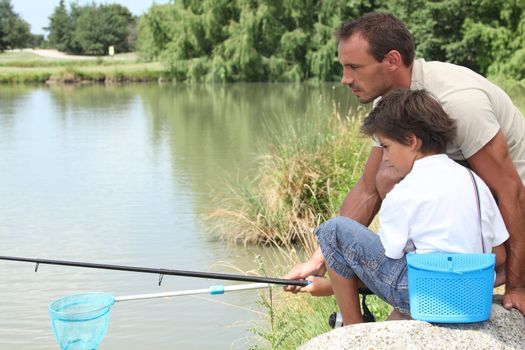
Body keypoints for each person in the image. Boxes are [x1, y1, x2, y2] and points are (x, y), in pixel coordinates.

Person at [284, 11, 525, 316]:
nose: (345, 79)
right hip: (475, 237)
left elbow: (511, 191)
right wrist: (320, 261)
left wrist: (517, 287)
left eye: (354, 67)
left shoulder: (459, 103)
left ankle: (361, 310)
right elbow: (368, 190)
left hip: (513, 210)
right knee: (386, 175)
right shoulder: (390, 102)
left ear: (392, 61)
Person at [296, 89, 509, 324]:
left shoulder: (405, 191)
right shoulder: (474, 181)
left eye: (386, 147)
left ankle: (352, 329)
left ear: (412, 141)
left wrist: (332, 285)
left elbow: (387, 260)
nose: (384, 157)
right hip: (473, 297)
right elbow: (499, 254)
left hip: (429, 297)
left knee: (333, 231)